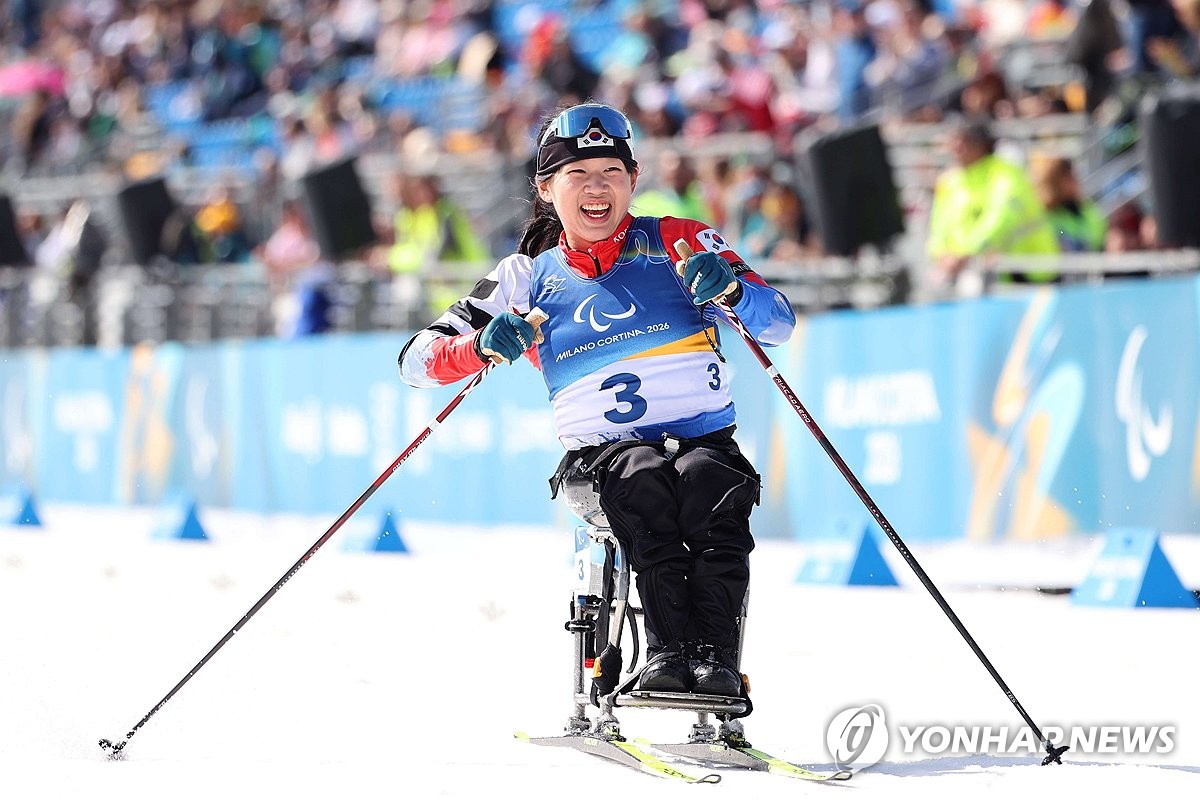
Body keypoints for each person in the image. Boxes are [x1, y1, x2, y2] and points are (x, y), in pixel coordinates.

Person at [398, 102, 796, 699]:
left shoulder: (681, 240)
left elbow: (780, 324)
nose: (596, 188)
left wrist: (733, 288)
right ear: (546, 189)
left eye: (611, 172)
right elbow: (415, 361)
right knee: (643, 478)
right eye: (578, 175)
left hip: (704, 441)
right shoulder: (525, 276)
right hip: (604, 460)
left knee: (711, 481)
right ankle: (665, 655)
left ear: (633, 180)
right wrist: (480, 345)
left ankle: (713, 664)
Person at [926, 118, 1060, 286]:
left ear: (980, 145)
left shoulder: (1006, 173)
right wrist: (941, 255)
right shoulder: (948, 181)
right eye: (952, 142)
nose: (954, 148)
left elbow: (1001, 217)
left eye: (961, 142)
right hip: (976, 275)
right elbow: (939, 226)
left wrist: (965, 252)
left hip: (1029, 270)